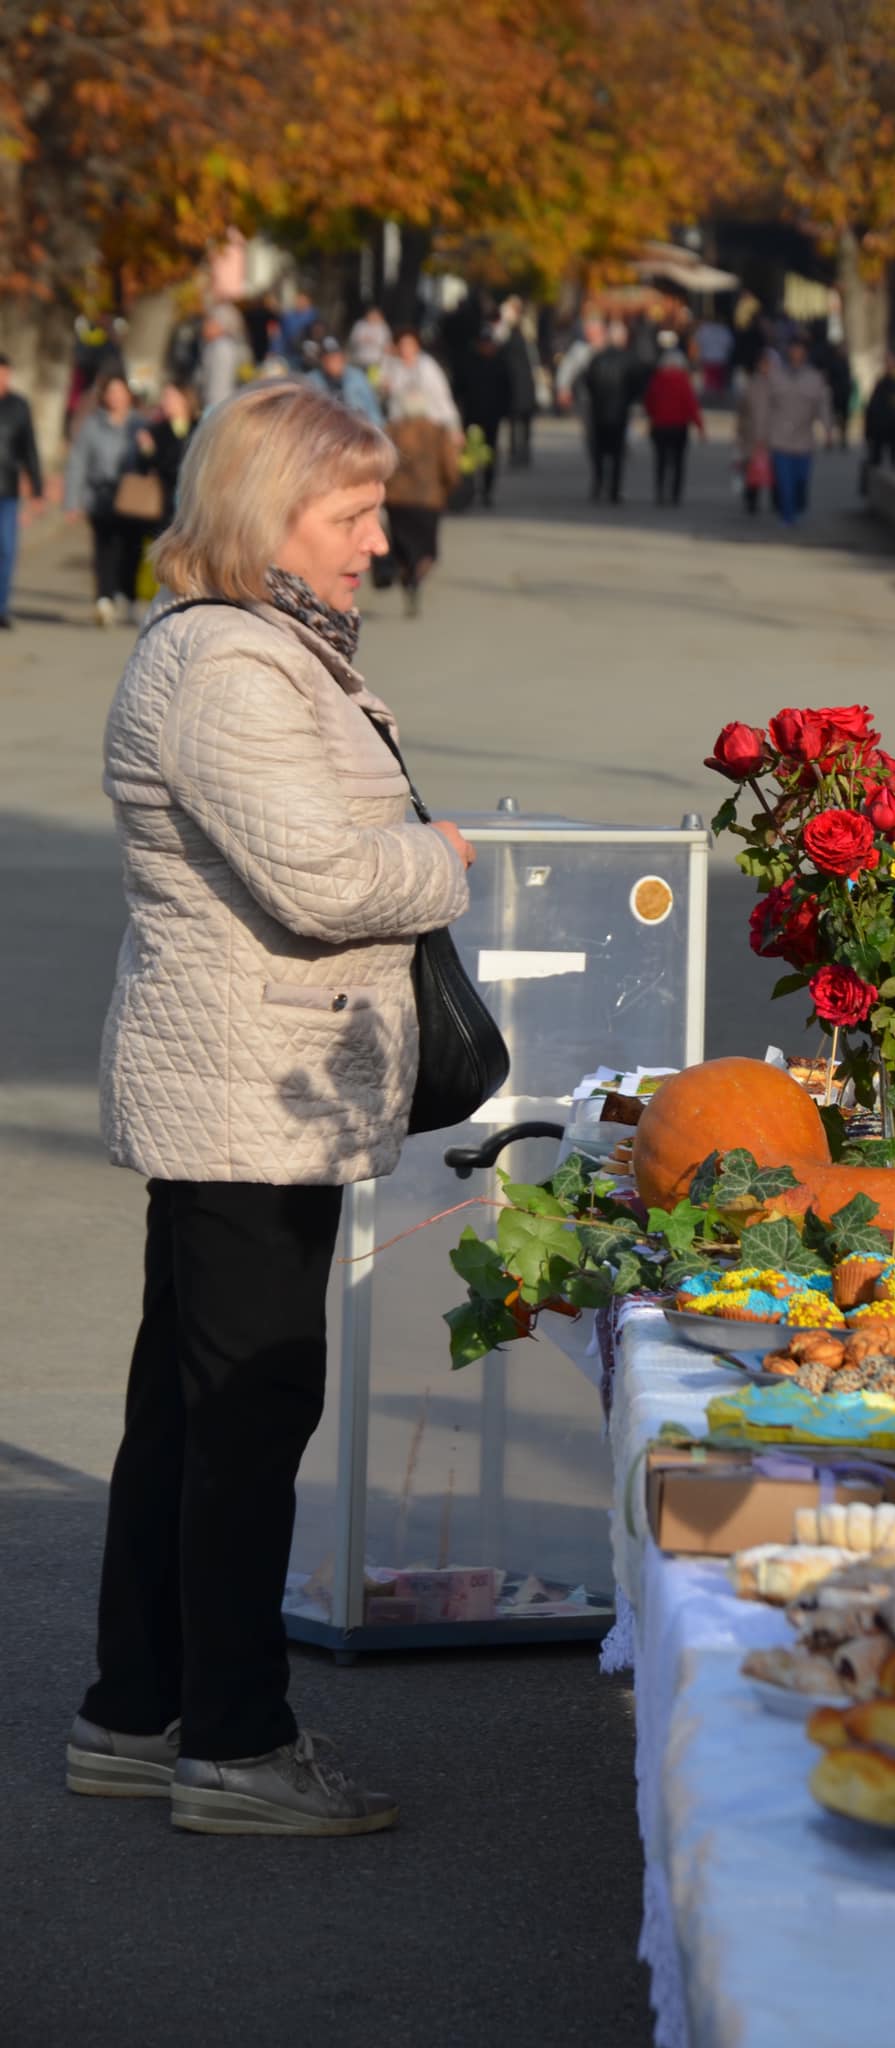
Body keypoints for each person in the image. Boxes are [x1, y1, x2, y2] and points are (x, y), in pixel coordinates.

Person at [71, 380, 475, 1837]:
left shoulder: (256, 648)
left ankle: (138, 1706)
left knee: (185, 1413)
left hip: (250, 1079)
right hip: (250, 1091)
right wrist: (441, 859)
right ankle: (234, 1745)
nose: (381, 537)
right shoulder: (233, 668)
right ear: (268, 517)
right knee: (245, 1414)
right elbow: (322, 876)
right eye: (353, 511)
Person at [64, 372, 147, 627]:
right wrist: (72, 501)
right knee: (104, 549)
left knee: (131, 550)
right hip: (101, 494)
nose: (116, 398)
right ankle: (104, 600)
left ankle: (129, 597)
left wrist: (148, 448)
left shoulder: (140, 425)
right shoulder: (93, 425)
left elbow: (154, 460)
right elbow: (78, 462)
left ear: (128, 397)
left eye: (120, 393)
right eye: (111, 393)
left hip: (133, 496)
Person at [384, 410, 462, 614]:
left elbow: (383, 461)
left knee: (401, 547)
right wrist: (450, 488)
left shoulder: (392, 429)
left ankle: (407, 576)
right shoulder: (437, 431)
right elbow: (450, 465)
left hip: (397, 499)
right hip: (428, 500)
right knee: (428, 551)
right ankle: (415, 578)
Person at [766, 335, 831, 528]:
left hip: (803, 440)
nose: (796, 353)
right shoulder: (775, 375)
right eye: (793, 349)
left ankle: (798, 506)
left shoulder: (815, 378)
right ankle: (787, 516)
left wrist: (828, 430)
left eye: (800, 349)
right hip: (779, 438)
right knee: (785, 482)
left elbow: (823, 406)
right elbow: (765, 406)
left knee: (801, 481)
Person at [0, 353, 45, 629]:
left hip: (7, 490)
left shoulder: (18, 406)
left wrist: (37, 489)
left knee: (6, 549)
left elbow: (29, 449)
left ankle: (1, 607)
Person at [581, 320, 640, 504]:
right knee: (616, 453)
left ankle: (598, 486)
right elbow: (634, 387)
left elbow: (588, 382)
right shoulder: (628, 360)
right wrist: (627, 402)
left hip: (598, 410)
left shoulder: (597, 358)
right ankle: (614, 490)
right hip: (619, 412)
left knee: (599, 452)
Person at [643, 333, 705, 506]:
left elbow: (649, 401)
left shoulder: (657, 379)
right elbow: (691, 405)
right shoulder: (683, 381)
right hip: (679, 427)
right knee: (678, 462)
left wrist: (651, 416)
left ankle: (660, 492)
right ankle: (675, 494)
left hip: (660, 426)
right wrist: (700, 427)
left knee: (661, 461)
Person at [455, 326, 513, 506]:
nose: (487, 347)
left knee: (489, 456)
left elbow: (507, 390)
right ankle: (470, 489)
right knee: (470, 457)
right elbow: (459, 388)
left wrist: (505, 412)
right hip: (472, 418)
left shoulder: (500, 364)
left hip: (492, 418)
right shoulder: (469, 363)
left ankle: (487, 490)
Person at [133, 382, 197, 532]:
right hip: (166, 504)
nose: (165, 402)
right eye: (164, 397)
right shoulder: (157, 431)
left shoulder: (201, 426)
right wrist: (147, 449)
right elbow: (144, 468)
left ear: (185, 399)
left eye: (170, 397)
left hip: (194, 503)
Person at [382, 326, 460, 429]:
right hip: (402, 425)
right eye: (402, 344)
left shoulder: (427, 365)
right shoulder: (393, 367)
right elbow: (383, 390)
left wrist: (453, 425)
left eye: (409, 344)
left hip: (430, 423)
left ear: (417, 346)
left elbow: (442, 394)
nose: (405, 348)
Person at [307, 336, 384, 425]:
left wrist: (376, 429)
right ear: (322, 361)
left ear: (343, 357)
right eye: (329, 358)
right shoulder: (311, 380)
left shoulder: (356, 376)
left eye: (337, 357)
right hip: (328, 429)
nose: (334, 362)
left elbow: (372, 407)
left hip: (358, 427)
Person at [497, 298, 537, 467]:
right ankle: (521, 452)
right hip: (521, 383)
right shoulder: (521, 338)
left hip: (517, 384)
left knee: (518, 421)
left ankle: (518, 453)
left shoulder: (511, 339)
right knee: (521, 421)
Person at [735, 347, 774, 514]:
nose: (766, 367)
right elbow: (742, 411)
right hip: (751, 434)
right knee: (751, 470)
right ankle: (751, 500)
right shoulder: (751, 384)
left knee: (774, 471)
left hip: (773, 435)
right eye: (763, 363)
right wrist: (739, 432)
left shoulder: (779, 384)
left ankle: (778, 503)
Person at [198, 305, 249, 412]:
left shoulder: (222, 348)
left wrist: (212, 411)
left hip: (220, 408)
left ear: (221, 325)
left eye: (210, 322)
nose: (205, 326)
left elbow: (219, 386)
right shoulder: (221, 346)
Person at [347, 305, 392, 375]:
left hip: (375, 361)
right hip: (359, 359)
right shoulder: (359, 325)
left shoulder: (383, 327)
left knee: (372, 382)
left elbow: (387, 344)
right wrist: (362, 339)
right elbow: (352, 340)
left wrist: (374, 341)